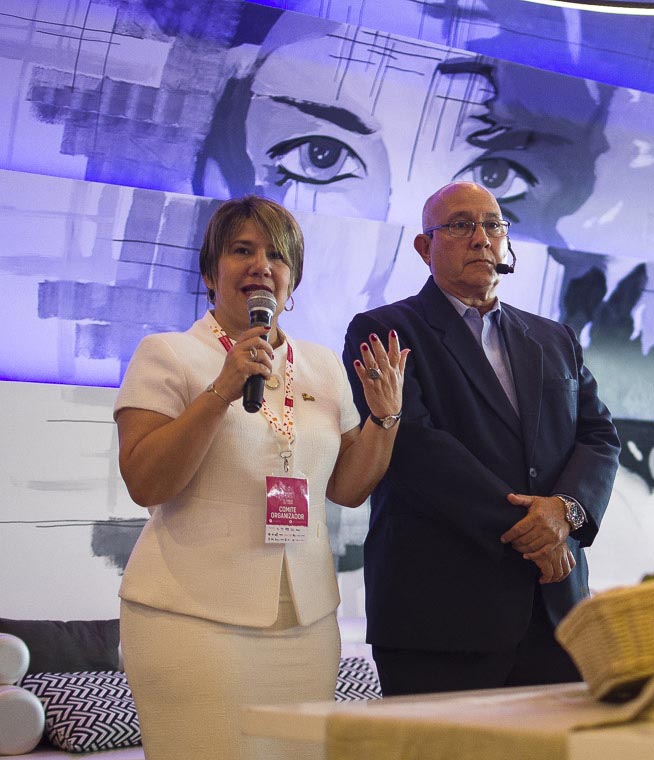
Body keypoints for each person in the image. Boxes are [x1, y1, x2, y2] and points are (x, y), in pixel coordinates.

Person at [113, 196, 408, 760]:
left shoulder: (321, 365)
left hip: (306, 621)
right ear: (209, 272)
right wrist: (223, 389)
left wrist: (385, 417)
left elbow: (347, 489)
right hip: (191, 618)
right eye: (241, 250)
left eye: (277, 254)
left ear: (291, 279)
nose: (260, 265)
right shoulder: (167, 355)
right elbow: (146, 483)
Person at [342, 181, 621, 695]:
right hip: (440, 618)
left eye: (492, 225)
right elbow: (415, 448)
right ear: (425, 248)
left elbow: (599, 435)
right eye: (461, 225)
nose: (481, 238)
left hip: (556, 611)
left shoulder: (553, 338)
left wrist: (565, 511)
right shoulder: (385, 331)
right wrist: (535, 530)